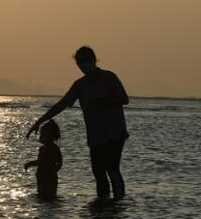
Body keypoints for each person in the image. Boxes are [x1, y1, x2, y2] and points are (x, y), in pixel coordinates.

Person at [27, 46, 129, 203]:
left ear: (94, 60)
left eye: (87, 60)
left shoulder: (109, 77)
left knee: (112, 167)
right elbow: (61, 104)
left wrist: (106, 99)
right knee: (98, 171)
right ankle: (102, 205)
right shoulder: (80, 85)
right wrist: (39, 121)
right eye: (81, 62)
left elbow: (124, 99)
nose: (84, 65)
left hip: (114, 132)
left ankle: (119, 202)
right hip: (95, 135)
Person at [24, 119, 62, 200]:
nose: (41, 137)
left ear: (51, 136)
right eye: (41, 134)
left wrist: (54, 171)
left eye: (43, 135)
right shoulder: (42, 149)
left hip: (50, 177)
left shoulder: (54, 148)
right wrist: (30, 164)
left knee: (50, 197)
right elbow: (40, 162)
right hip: (41, 176)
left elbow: (59, 163)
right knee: (41, 196)